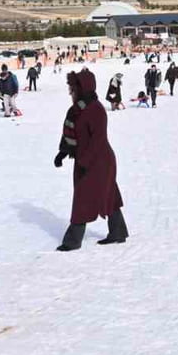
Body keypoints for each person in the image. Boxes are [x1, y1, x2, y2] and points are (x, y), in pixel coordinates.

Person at [54, 70, 128, 251]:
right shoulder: (75, 110)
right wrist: (63, 152)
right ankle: (118, 232)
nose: (70, 92)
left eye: (72, 89)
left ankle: (73, 241)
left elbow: (98, 140)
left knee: (83, 198)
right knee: (107, 195)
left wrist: (85, 162)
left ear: (82, 88)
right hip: (86, 160)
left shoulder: (96, 110)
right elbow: (70, 133)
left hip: (99, 161)